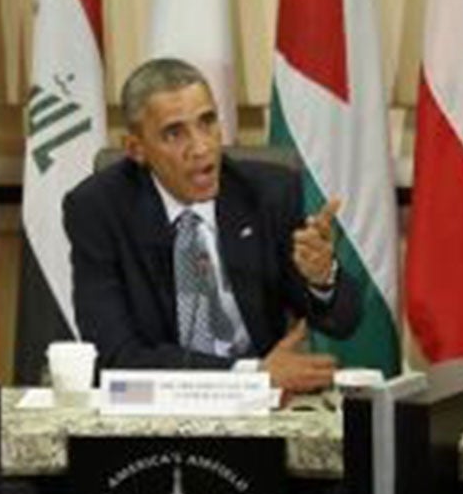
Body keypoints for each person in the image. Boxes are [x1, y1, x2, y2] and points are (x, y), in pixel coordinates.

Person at [63, 58, 364, 396]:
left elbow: (344, 322)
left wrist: (322, 278)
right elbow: (114, 357)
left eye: (207, 122)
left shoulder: (267, 194)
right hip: (155, 407)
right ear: (136, 149)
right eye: (174, 133)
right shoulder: (98, 209)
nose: (201, 147)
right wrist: (249, 375)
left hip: (262, 411)